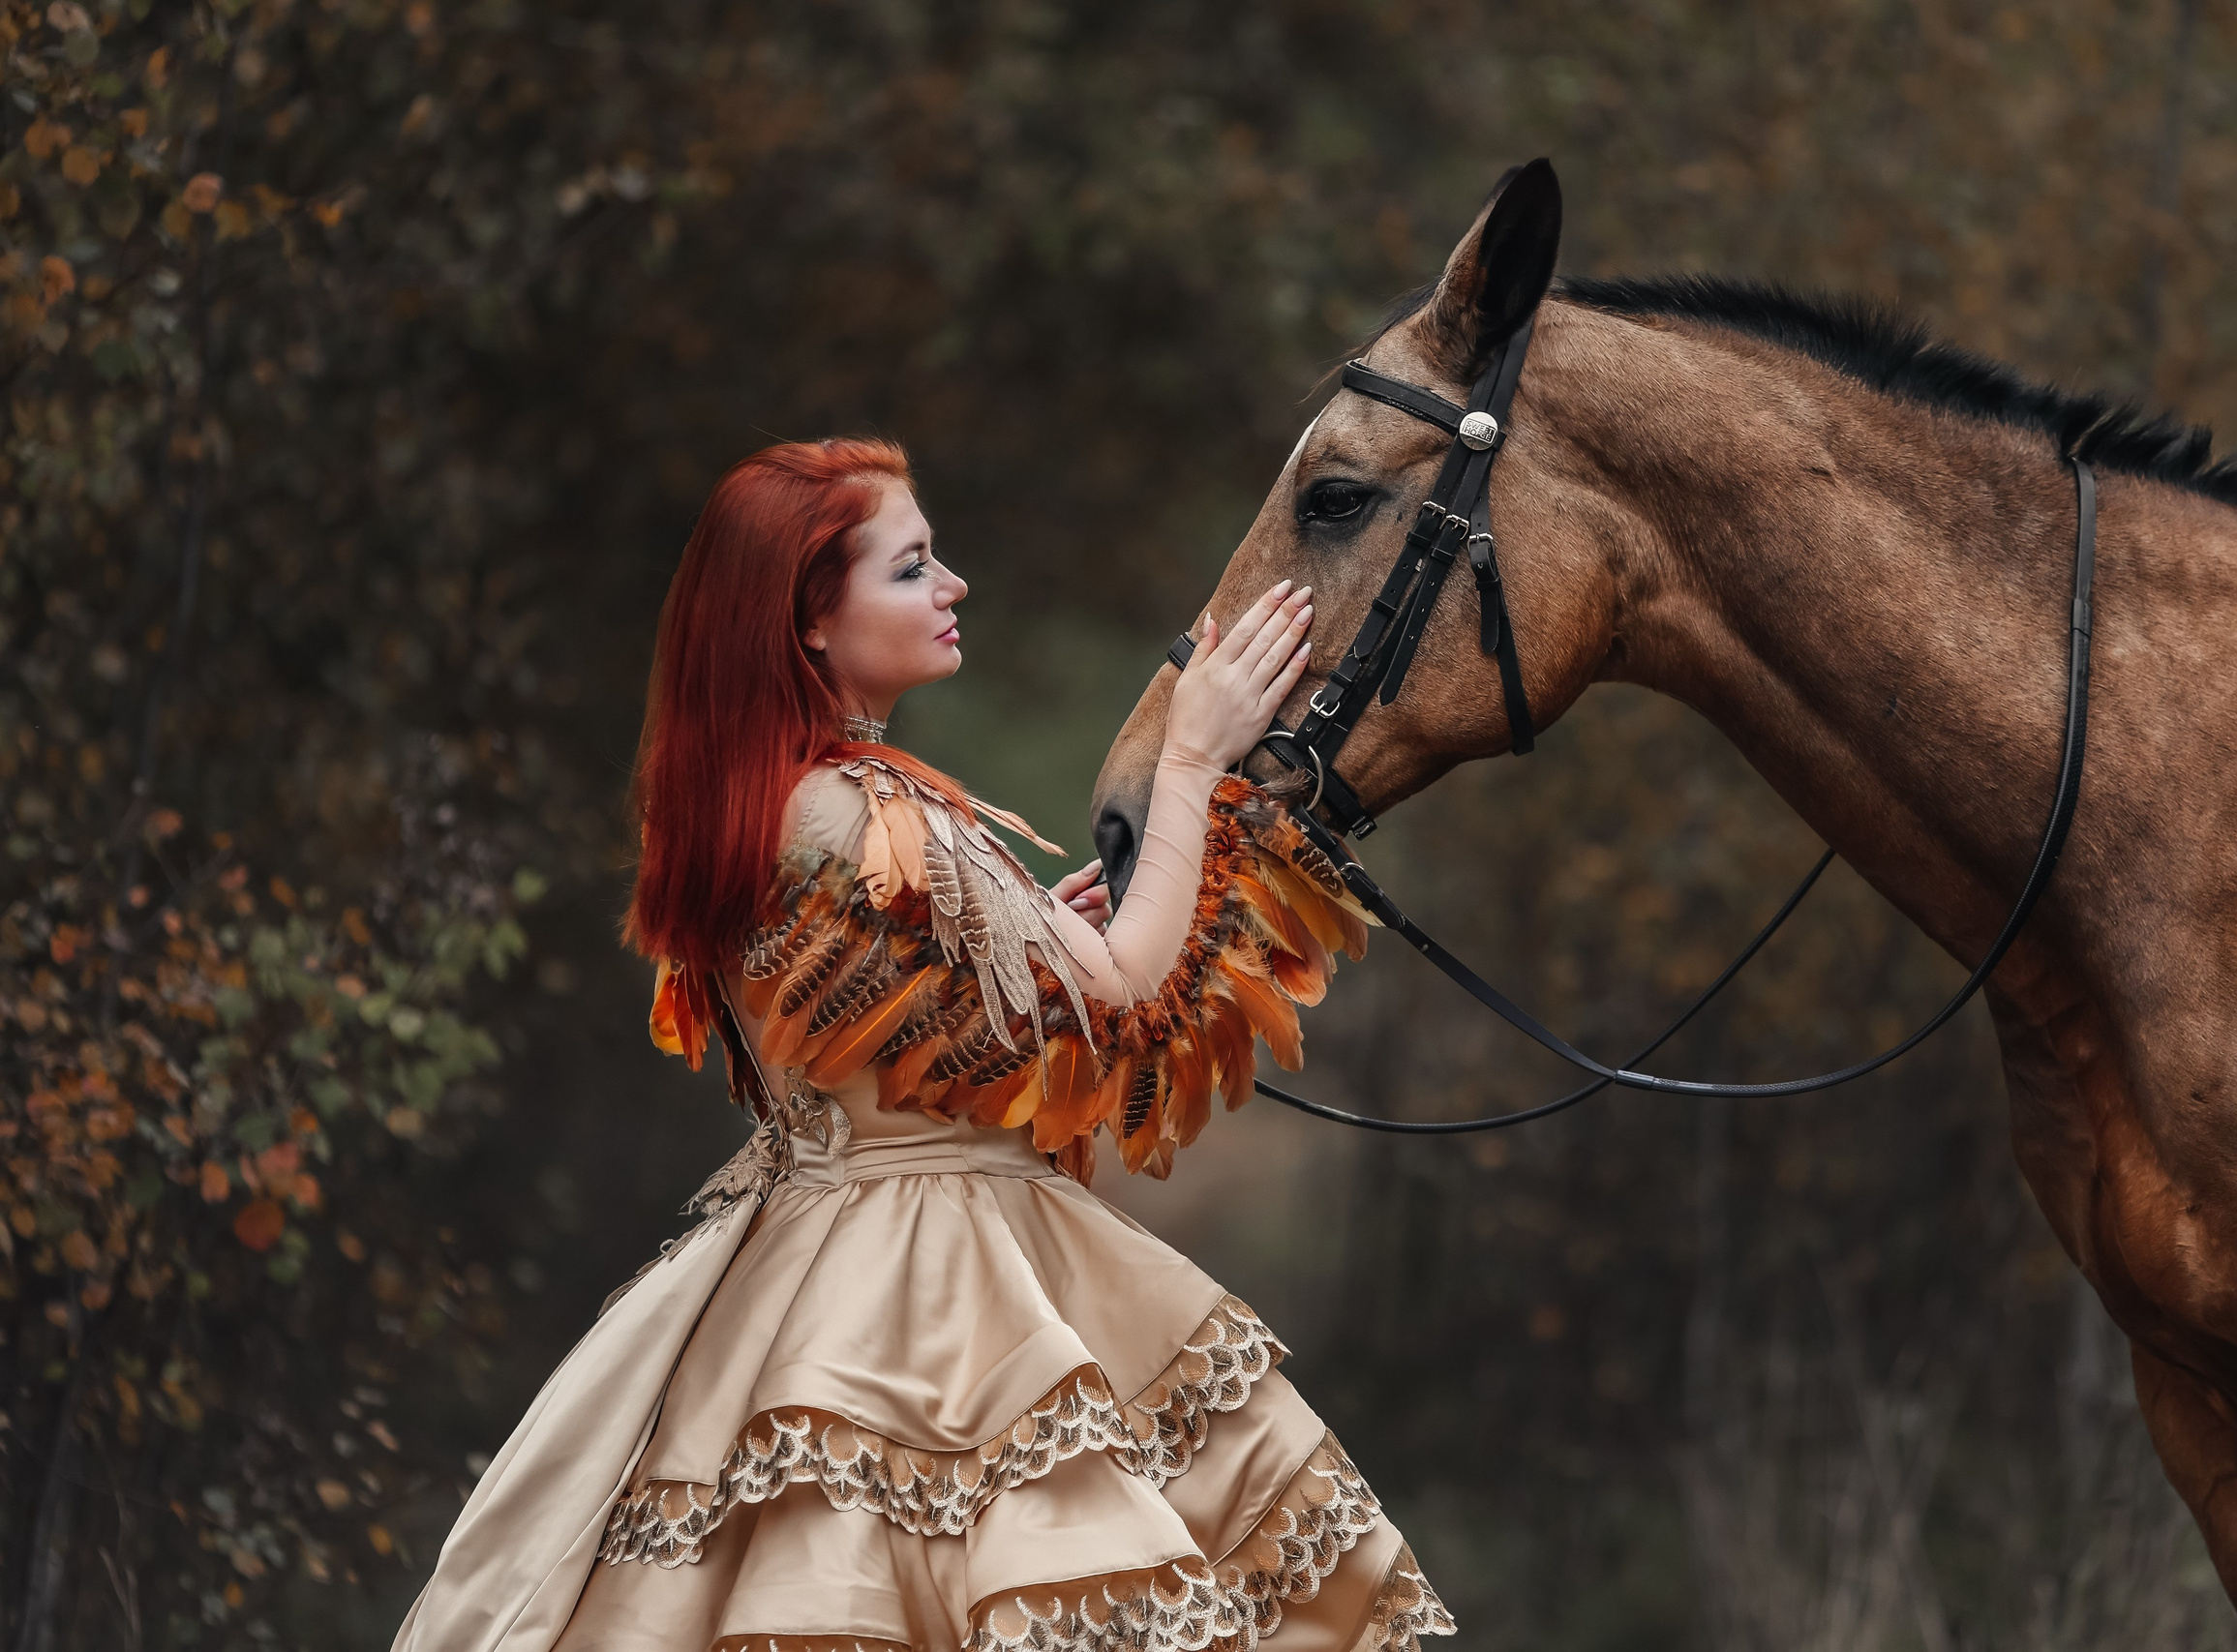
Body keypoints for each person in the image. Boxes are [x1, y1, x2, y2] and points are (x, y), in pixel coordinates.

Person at [392, 438, 1456, 1652]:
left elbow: (916, 1034)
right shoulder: (867, 811)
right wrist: (1195, 763)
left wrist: (1026, 939)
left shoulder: (772, 796)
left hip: (804, 1255)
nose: (952, 586)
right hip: (930, 1282)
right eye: (910, 569)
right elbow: (1112, 1012)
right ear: (807, 621)